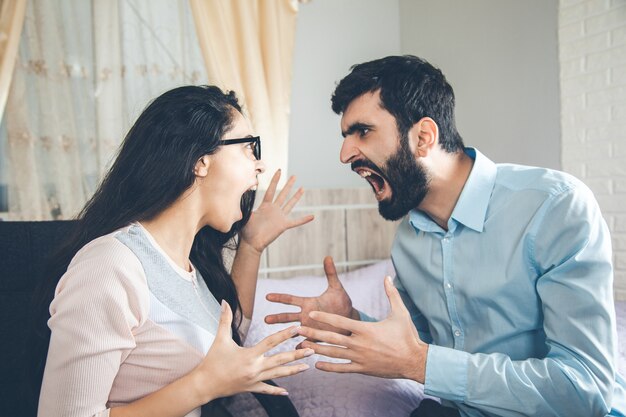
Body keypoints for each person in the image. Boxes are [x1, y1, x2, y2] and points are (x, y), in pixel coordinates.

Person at [265, 55, 626, 417]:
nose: (345, 154)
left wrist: (422, 365)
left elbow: (584, 390)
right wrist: (352, 320)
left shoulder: (553, 206)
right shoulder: (408, 241)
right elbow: (419, 344)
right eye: (346, 136)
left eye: (363, 131)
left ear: (423, 137)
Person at [33, 85, 315, 417]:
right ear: (200, 161)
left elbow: (225, 339)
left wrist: (251, 247)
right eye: (248, 149)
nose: (260, 165)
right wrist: (204, 385)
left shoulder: (188, 263)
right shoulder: (109, 267)